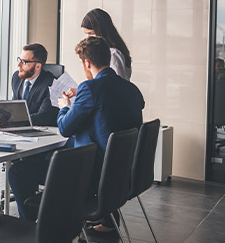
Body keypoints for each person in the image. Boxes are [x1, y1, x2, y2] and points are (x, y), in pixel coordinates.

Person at [8, 36, 144, 229]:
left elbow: (64, 128)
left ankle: (32, 229)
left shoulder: (89, 88)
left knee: (18, 172)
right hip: (120, 174)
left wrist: (64, 107)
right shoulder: (131, 89)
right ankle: (51, 221)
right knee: (44, 159)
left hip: (89, 175)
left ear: (87, 63)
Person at [0, 43, 59, 220]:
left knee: (18, 169)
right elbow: (16, 107)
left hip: (42, 137)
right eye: (20, 60)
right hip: (18, 131)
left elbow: (44, 116)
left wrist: (8, 119)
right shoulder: (17, 78)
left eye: (24, 62)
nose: (19, 65)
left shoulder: (51, 84)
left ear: (38, 65)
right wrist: (1, 116)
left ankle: (29, 215)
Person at [81, 8, 132, 80]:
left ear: (101, 31)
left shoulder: (113, 54)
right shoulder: (108, 52)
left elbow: (117, 87)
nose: (88, 38)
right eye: (87, 34)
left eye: (91, 33)